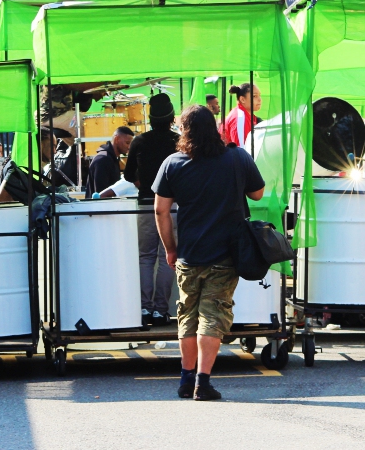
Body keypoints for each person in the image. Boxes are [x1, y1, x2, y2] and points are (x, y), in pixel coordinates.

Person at [153, 105, 265, 401]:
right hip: (226, 255)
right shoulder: (237, 157)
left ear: (184, 130)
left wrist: (170, 249)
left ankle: (186, 379)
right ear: (215, 127)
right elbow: (258, 193)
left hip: (188, 255)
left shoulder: (173, 164)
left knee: (187, 316)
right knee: (213, 316)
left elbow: (161, 210)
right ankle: (203, 382)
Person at [123, 93, 179, 327]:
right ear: (172, 117)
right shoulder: (178, 142)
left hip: (145, 204)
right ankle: (160, 310)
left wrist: (142, 181)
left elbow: (127, 175)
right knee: (169, 258)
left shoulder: (139, 141)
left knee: (145, 257)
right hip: (173, 205)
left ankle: (144, 308)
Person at [85, 126, 134, 197]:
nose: (129, 147)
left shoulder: (111, 158)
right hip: (99, 207)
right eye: (127, 143)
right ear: (117, 139)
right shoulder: (103, 160)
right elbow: (101, 193)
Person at [222, 83, 261, 150]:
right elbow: (240, 149)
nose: (259, 99)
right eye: (254, 96)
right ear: (242, 99)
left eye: (259, 96)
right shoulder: (240, 117)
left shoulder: (248, 115)